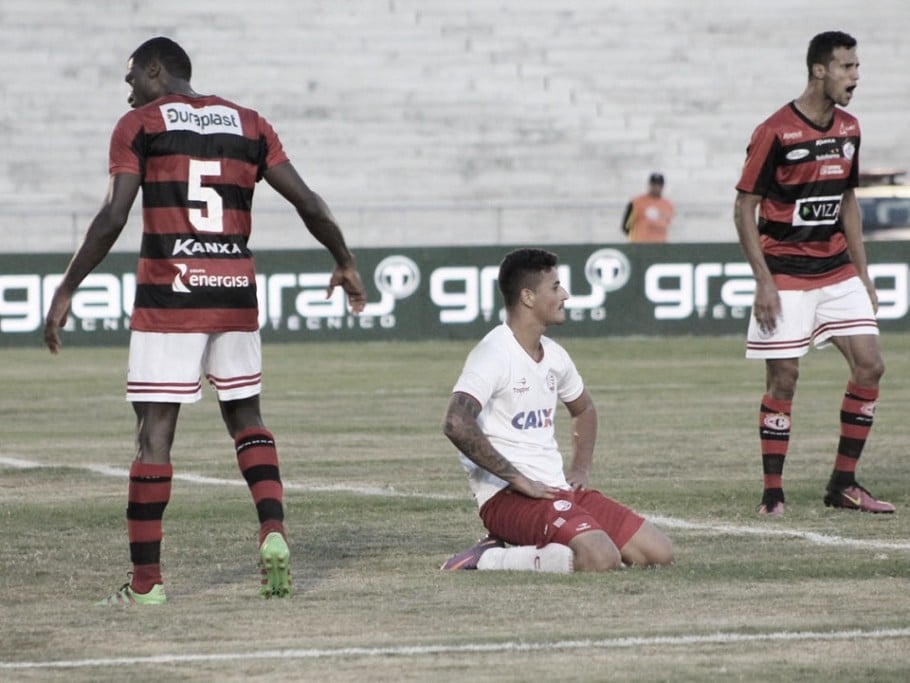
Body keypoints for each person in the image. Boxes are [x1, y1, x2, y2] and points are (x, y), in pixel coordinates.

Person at [43, 37, 367, 605]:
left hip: (170, 296)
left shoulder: (141, 124)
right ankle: (273, 531)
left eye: (131, 78)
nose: (127, 90)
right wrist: (344, 259)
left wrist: (68, 285)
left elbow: (114, 214)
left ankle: (146, 584)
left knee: (154, 436)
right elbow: (309, 202)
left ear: (156, 68)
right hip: (235, 293)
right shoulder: (249, 123)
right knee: (247, 416)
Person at [733, 30, 893, 516]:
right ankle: (772, 495)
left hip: (837, 267)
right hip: (784, 272)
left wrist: (862, 275)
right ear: (819, 70)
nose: (855, 77)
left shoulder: (849, 129)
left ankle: (843, 484)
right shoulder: (776, 131)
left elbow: (847, 200)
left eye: (857, 67)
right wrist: (763, 280)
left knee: (871, 365)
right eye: (847, 67)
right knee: (785, 378)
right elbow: (744, 207)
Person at [440, 248, 674, 572]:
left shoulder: (554, 355)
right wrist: (518, 480)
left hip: (554, 490)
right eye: (555, 287)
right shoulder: (493, 354)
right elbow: (456, 422)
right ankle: (488, 558)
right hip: (507, 497)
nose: (564, 294)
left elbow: (584, 409)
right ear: (527, 297)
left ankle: (529, 542)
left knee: (658, 553)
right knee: (600, 559)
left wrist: (580, 470)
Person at [621, 172, 675, 243]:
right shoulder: (636, 202)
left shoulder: (669, 205)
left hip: (661, 246)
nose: (656, 187)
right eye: (654, 184)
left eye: (659, 185)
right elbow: (626, 226)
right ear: (649, 185)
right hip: (641, 245)